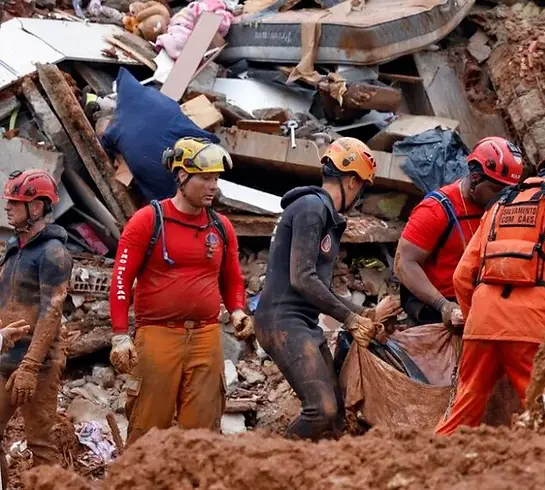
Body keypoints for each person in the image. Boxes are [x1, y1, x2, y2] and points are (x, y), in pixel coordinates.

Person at [435, 149, 545, 435]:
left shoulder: (499, 205)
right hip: (532, 326)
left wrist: (475, 322)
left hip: (482, 324)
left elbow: (461, 277)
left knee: (463, 411)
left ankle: (424, 466)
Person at [108, 137, 250, 445]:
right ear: (182, 176)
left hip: (206, 338)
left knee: (202, 433)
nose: (214, 186)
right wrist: (120, 335)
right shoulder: (148, 220)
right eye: (206, 178)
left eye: (217, 178)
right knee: (148, 427)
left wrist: (237, 309)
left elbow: (232, 279)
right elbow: (120, 278)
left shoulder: (221, 227)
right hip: (158, 335)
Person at [254, 137, 389, 441]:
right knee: (322, 409)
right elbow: (302, 279)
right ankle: (267, 464)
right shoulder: (311, 208)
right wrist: (351, 319)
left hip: (301, 322)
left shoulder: (322, 212)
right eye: (363, 185)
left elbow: (319, 288)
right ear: (353, 181)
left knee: (337, 418)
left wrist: (362, 313)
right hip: (282, 321)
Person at [395, 136, 523, 326]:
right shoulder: (436, 210)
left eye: (508, 190)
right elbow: (403, 263)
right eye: (496, 189)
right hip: (438, 308)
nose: (503, 196)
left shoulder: (500, 207)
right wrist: (443, 305)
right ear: (475, 177)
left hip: (481, 303)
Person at [0, 170, 73, 477]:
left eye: (15, 202)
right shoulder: (15, 250)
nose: (7, 207)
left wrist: (29, 367)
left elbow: (52, 310)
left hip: (37, 367)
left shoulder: (53, 252)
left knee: (40, 444)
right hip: (5, 359)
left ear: (38, 207)